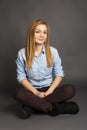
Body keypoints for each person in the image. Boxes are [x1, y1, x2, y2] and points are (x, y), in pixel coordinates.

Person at [15, 19, 79, 119]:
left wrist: (50, 91)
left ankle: (31, 106)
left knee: (69, 90)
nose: (42, 35)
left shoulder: (53, 51)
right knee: (17, 93)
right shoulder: (22, 53)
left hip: (49, 90)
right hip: (31, 91)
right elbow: (21, 76)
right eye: (38, 32)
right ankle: (54, 108)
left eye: (45, 32)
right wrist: (35, 92)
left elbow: (59, 73)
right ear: (31, 33)